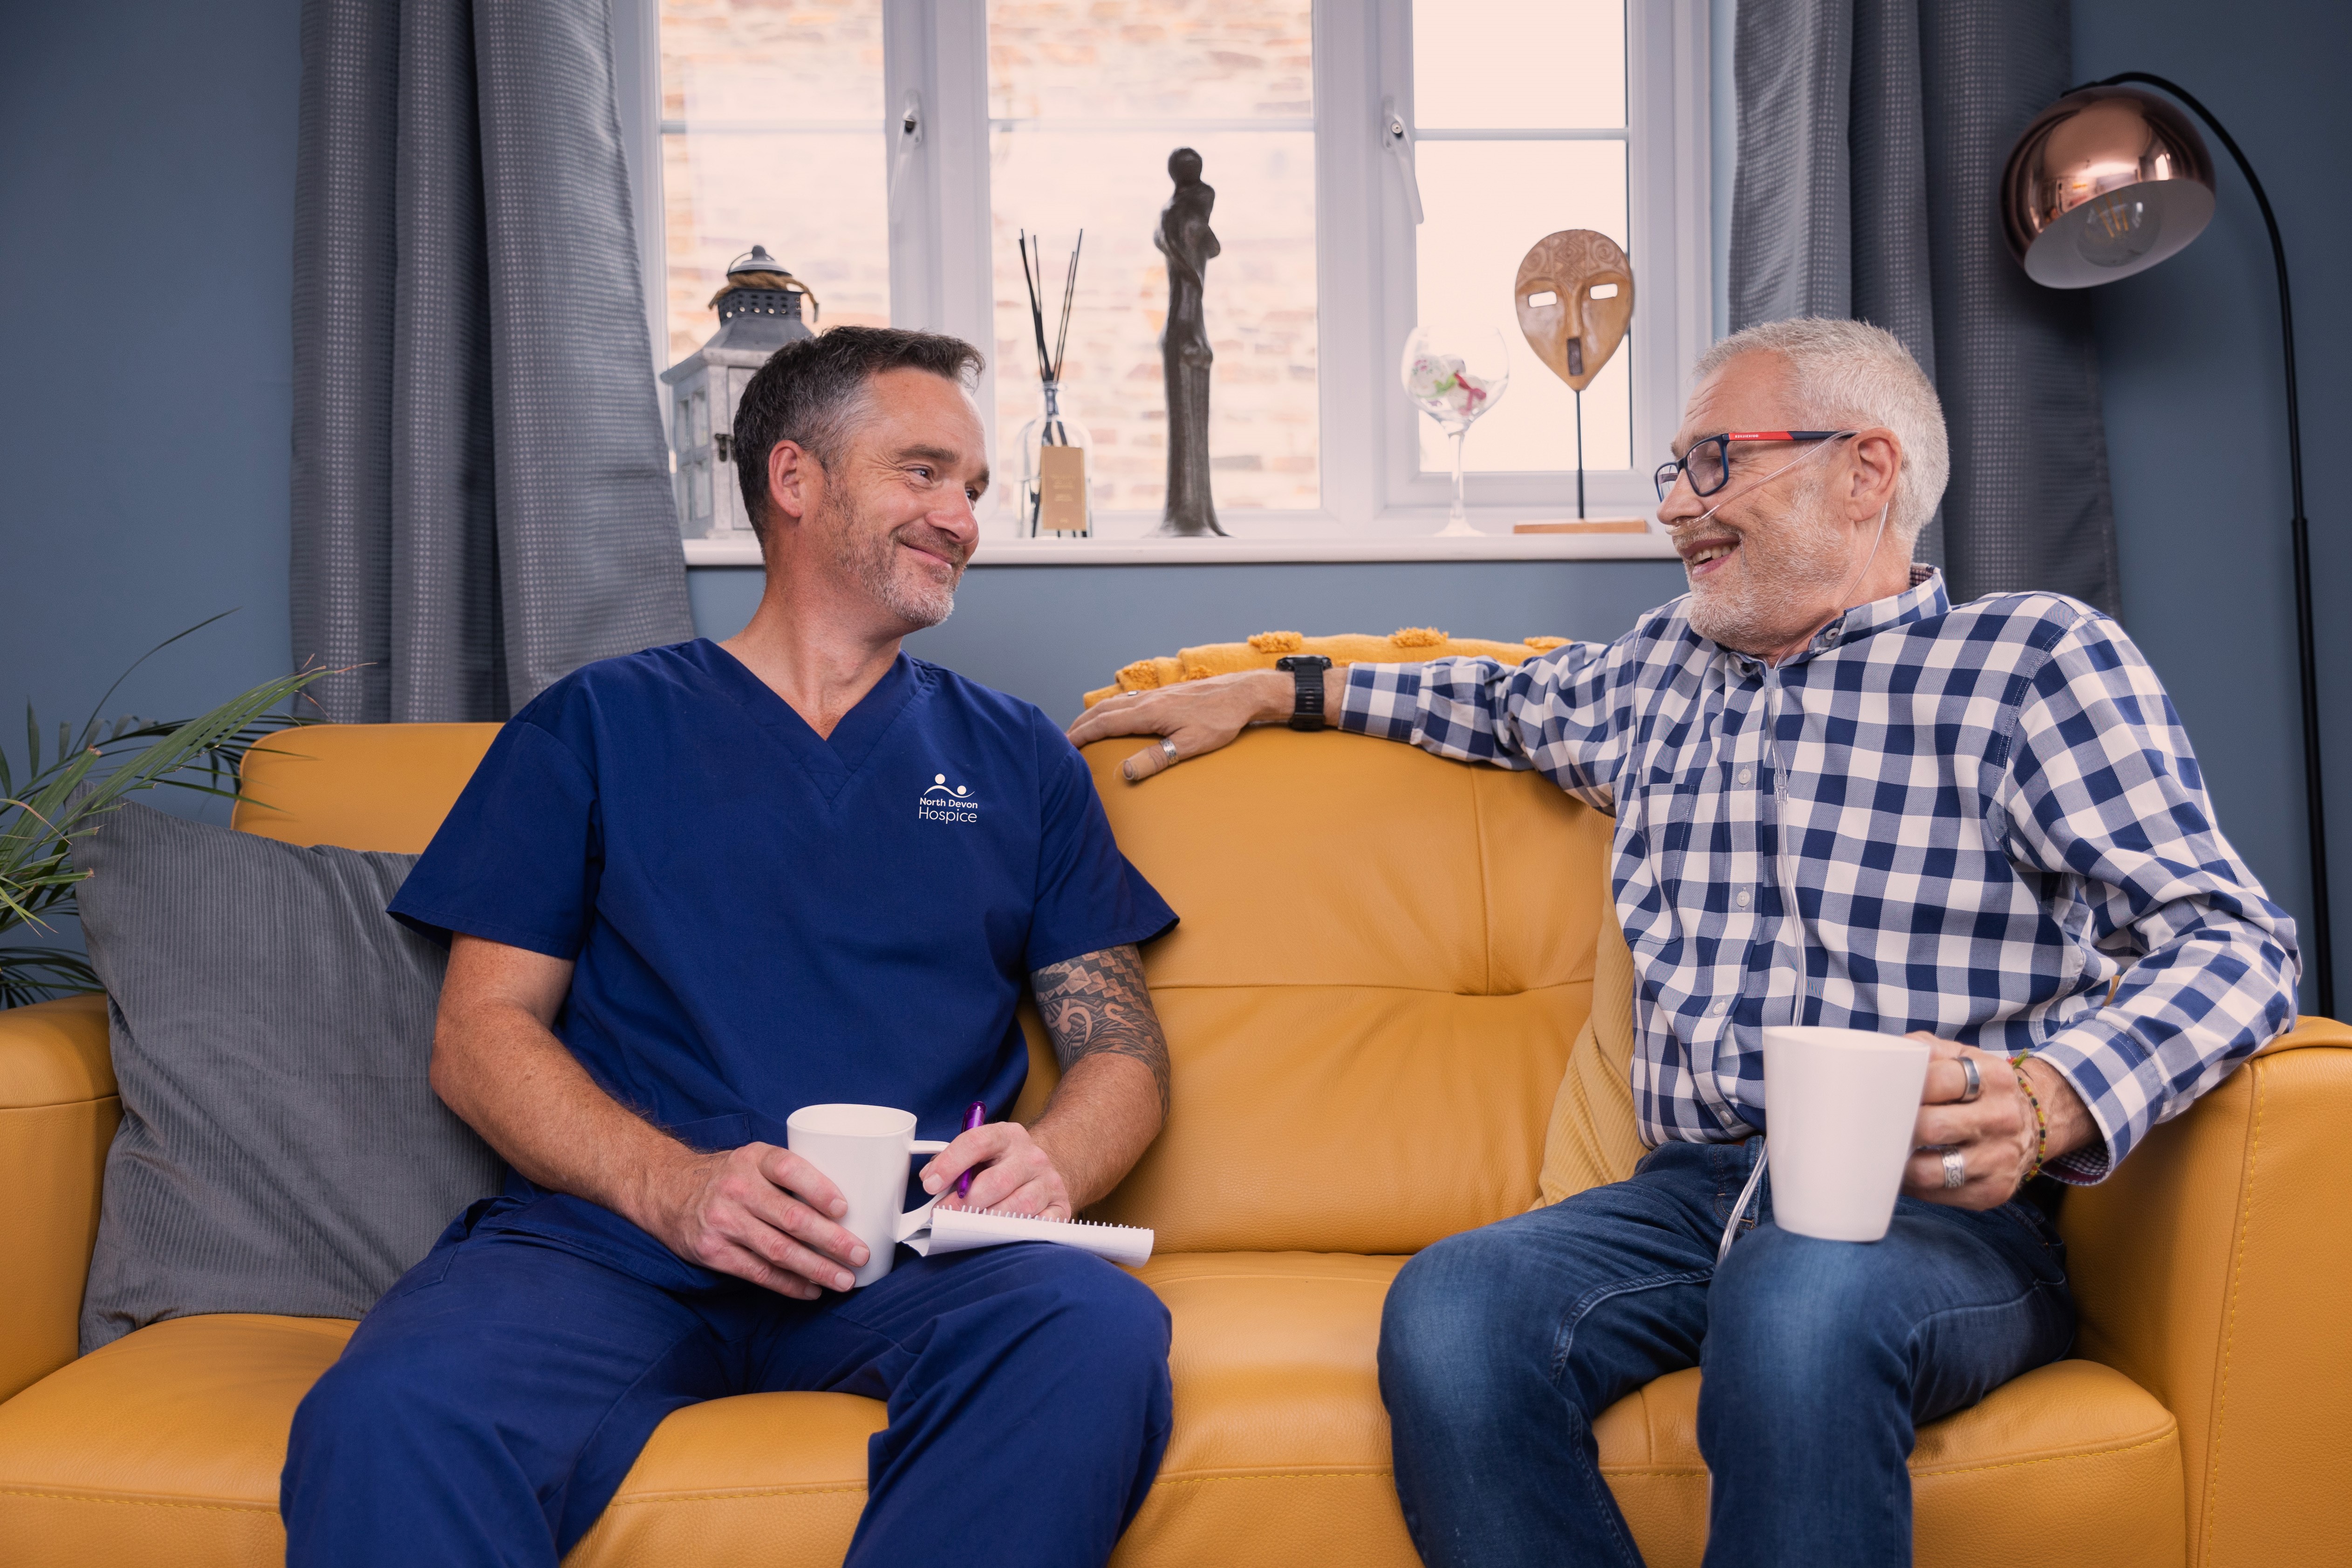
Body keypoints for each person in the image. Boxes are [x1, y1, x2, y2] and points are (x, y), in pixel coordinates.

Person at [1063, 317, 2300, 1568]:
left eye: (1717, 463)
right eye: (1675, 472)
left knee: (1798, 1301)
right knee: (1456, 1307)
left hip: (1930, 1212)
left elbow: (2232, 940)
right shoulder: (1665, 668)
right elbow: (1495, 700)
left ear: (1866, 472)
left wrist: (2049, 1097)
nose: (1680, 509)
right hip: (1685, 1197)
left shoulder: (2031, 663)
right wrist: (1283, 686)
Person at [282, 327, 1181, 1568]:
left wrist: (1059, 1165)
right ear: (795, 479)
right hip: (614, 1249)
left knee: (1092, 1329)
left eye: (973, 488)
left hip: (913, 1253)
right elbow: (479, 1038)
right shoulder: (596, 725)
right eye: (924, 472)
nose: (964, 518)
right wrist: (678, 1189)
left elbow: (1123, 1051)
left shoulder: (1019, 756)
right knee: (391, 1414)